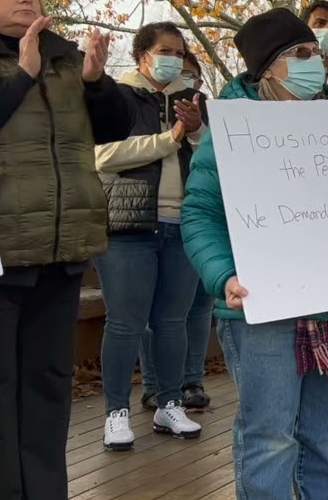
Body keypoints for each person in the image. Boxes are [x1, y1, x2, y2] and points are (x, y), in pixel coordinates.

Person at [182, 8, 328, 499]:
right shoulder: (229, 130)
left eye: (317, 54)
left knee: (326, 437)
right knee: (270, 438)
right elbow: (199, 215)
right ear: (267, 70)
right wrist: (224, 276)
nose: (316, 62)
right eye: (300, 54)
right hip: (260, 304)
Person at [0, 0, 130, 497]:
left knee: (49, 383)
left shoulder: (64, 59)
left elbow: (113, 130)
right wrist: (20, 75)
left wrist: (95, 83)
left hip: (63, 247)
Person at [93, 22, 206, 449]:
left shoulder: (193, 100)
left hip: (184, 225)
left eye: (179, 51)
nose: (173, 58)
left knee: (172, 322)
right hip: (129, 226)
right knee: (125, 323)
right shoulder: (116, 98)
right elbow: (101, 155)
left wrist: (195, 130)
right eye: (164, 50)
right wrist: (168, 140)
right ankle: (116, 412)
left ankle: (170, 403)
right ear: (142, 55)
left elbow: (216, 153)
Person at [138, 48, 215, 412]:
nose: (185, 82)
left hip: (202, 223)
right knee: (160, 311)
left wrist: (198, 128)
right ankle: (155, 384)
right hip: (156, 221)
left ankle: (191, 380)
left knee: (200, 307)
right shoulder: (143, 108)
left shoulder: (211, 116)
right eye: (178, 74)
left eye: (192, 77)